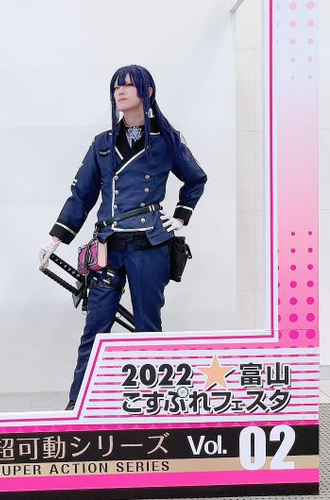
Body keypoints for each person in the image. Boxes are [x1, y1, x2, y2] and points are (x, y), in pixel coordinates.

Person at [39, 64, 207, 409]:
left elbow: (196, 178)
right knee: (95, 327)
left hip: (150, 244)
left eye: (129, 85)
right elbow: (82, 195)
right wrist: (55, 237)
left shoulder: (166, 139)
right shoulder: (103, 143)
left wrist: (181, 215)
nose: (121, 91)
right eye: (116, 86)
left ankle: (152, 402)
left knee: (147, 326)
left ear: (147, 92)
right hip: (108, 246)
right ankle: (78, 403)